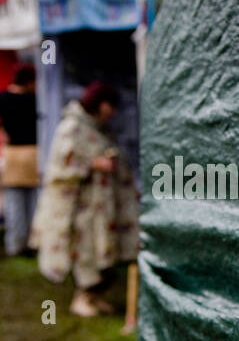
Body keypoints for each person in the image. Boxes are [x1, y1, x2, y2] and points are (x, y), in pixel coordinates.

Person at [30, 81, 140, 318]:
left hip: (103, 206)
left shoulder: (100, 128)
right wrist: (93, 164)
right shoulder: (71, 128)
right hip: (82, 207)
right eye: (112, 106)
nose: (115, 113)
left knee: (105, 251)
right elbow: (59, 168)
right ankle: (82, 297)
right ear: (100, 104)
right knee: (87, 252)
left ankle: (95, 296)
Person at [0, 63, 39, 256]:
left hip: (13, 154)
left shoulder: (3, 98)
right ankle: (32, 242)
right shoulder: (35, 100)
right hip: (34, 153)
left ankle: (15, 243)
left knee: (14, 204)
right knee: (33, 202)